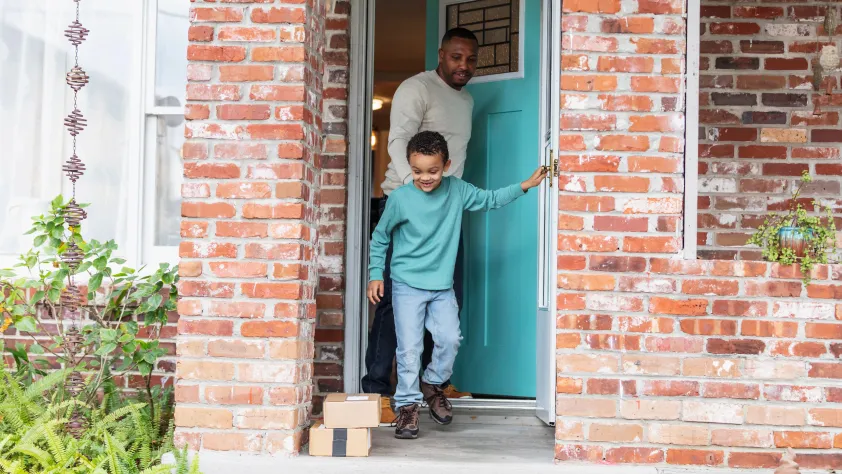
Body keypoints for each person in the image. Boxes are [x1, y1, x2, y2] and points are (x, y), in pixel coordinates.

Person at [367, 131, 547, 439]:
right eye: (418, 171)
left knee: (450, 339)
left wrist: (524, 186)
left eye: (433, 171)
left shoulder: (457, 191)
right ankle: (407, 407)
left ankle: (432, 383)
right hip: (406, 284)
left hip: (440, 286)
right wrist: (375, 274)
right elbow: (381, 237)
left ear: (446, 165)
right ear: (410, 167)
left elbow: (490, 199)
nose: (425, 178)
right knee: (409, 349)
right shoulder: (400, 199)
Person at [362, 27, 480, 422]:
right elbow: (398, 142)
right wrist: (416, 193)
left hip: (446, 214)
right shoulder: (418, 88)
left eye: (470, 59)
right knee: (392, 306)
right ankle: (377, 390)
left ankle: (432, 386)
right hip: (410, 210)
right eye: (456, 57)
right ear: (441, 54)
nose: (463, 66)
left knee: (445, 302)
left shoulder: (466, 101)